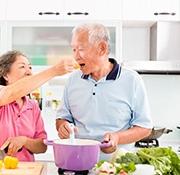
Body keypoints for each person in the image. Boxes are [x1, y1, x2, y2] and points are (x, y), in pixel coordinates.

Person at [55, 23, 153, 162]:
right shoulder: (72, 80)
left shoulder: (132, 80)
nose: (76, 56)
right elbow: (62, 118)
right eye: (74, 49)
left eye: (81, 49)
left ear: (102, 48)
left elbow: (144, 127)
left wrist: (117, 138)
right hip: (77, 163)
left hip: (117, 166)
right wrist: (63, 126)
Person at [0, 50, 76, 161]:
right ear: (5, 74)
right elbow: (12, 92)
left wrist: (24, 141)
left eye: (30, 67)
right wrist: (53, 71)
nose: (29, 72)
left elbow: (42, 146)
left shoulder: (32, 106)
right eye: (22, 67)